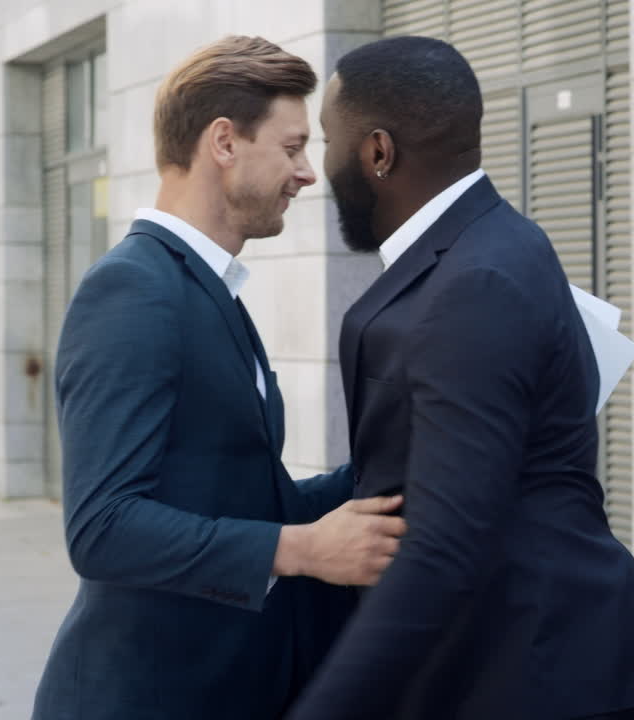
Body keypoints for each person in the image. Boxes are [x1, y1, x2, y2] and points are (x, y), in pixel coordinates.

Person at [289, 36, 634, 720]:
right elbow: (421, 464)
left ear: (378, 152)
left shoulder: (477, 279)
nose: (320, 167)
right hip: (516, 658)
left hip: (533, 670)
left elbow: (442, 543)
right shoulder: (490, 244)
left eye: (326, 139)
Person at [31, 36, 405, 720]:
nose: (306, 174)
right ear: (224, 142)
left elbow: (234, 493)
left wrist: (393, 465)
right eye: (292, 148)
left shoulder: (206, 288)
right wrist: (301, 549)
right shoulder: (133, 291)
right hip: (143, 697)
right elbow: (102, 529)